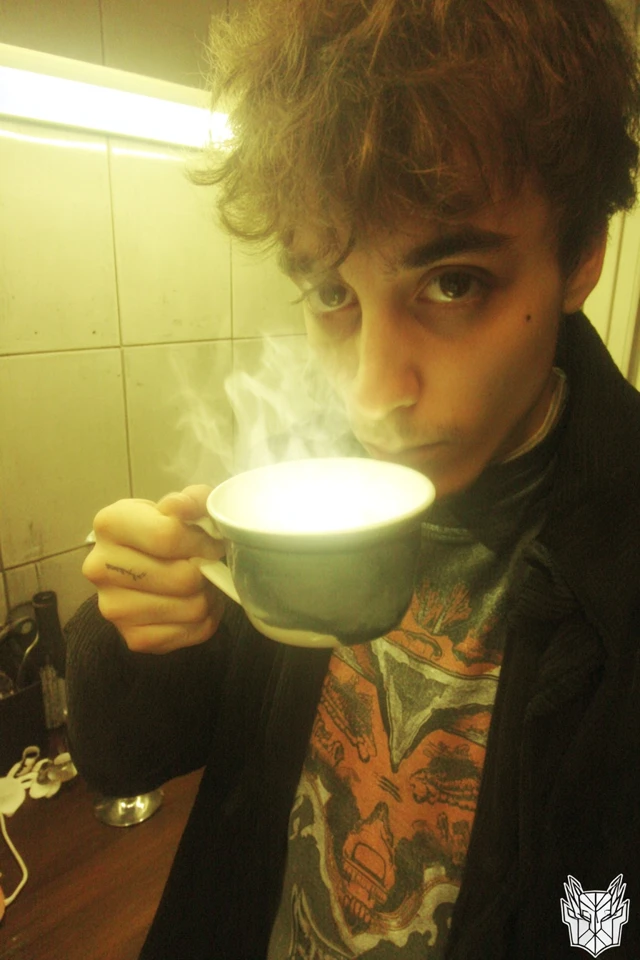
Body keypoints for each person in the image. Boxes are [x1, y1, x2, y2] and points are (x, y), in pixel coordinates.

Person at [65, 1, 640, 957]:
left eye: (453, 282)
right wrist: (142, 628)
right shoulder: (296, 490)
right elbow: (124, 761)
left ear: (580, 258)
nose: (371, 396)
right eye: (333, 293)